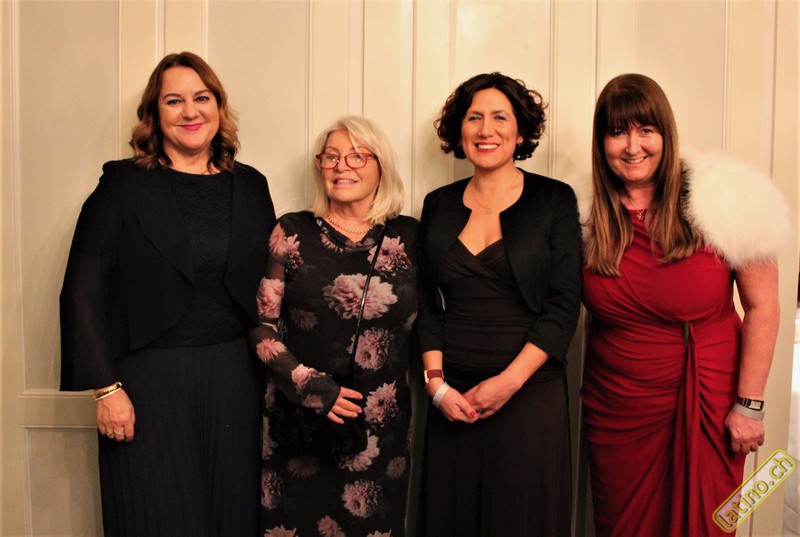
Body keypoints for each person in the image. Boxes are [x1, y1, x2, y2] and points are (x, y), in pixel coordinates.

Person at [59, 52, 276, 536]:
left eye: (202, 97)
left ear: (219, 107)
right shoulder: (123, 185)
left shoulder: (251, 185)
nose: (190, 111)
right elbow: (82, 289)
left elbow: (270, 288)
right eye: (173, 101)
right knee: (155, 518)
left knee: (231, 519)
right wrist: (106, 388)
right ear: (154, 114)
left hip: (234, 380)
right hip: (146, 381)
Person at [581, 73, 790, 536]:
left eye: (645, 130)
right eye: (617, 133)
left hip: (708, 400)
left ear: (666, 133)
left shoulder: (726, 197)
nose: (632, 146)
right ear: (602, 143)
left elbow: (763, 306)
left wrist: (750, 405)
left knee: (709, 524)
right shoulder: (585, 214)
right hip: (617, 408)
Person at [417, 72, 582, 536]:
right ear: (459, 131)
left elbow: (563, 306)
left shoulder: (554, 200)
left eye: (499, 117)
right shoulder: (437, 204)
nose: (485, 129)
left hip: (529, 394)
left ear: (521, 131)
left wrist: (507, 384)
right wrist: (437, 387)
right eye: (474, 118)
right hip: (453, 399)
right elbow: (426, 305)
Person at [250, 116, 417, 536]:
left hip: (380, 430)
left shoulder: (409, 237)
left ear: (380, 165)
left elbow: (433, 320)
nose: (342, 166)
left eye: (357, 156)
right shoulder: (291, 231)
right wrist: (311, 387)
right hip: (299, 424)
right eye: (331, 157)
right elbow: (261, 324)